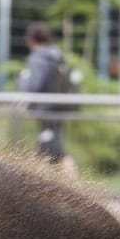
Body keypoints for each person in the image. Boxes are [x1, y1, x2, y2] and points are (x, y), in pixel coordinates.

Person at [16, 22, 80, 175]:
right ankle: (32, 184)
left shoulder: (38, 58)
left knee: (56, 152)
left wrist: (22, 80)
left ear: (31, 39)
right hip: (59, 108)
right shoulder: (56, 55)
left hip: (45, 110)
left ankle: (77, 188)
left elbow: (34, 85)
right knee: (46, 149)